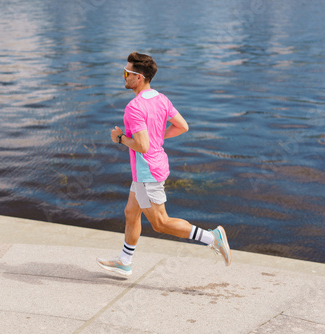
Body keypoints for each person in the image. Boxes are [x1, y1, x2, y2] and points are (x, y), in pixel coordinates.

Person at [96, 52, 231, 277]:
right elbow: (182, 126)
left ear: (139, 78)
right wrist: (157, 137)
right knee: (131, 212)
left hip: (147, 171)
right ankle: (124, 261)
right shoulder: (161, 99)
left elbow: (142, 146)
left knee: (160, 223)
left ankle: (212, 238)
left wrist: (119, 138)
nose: (124, 76)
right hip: (149, 169)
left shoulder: (134, 107)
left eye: (127, 73)